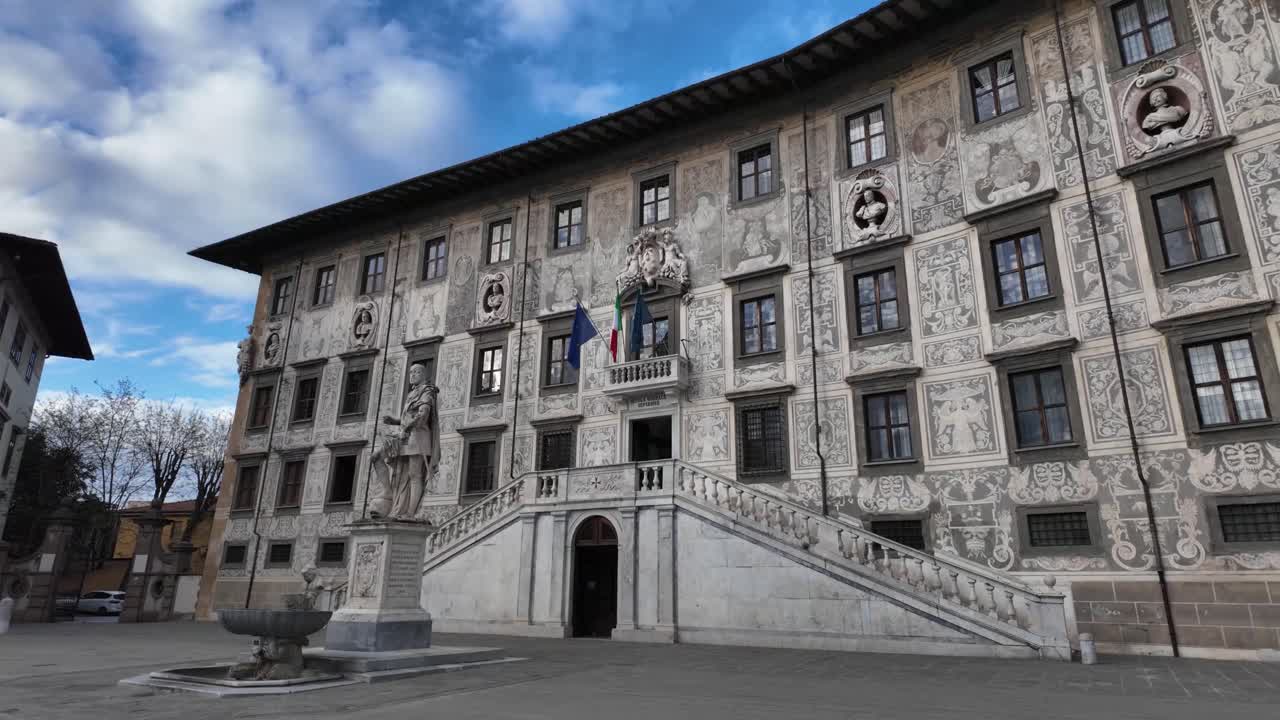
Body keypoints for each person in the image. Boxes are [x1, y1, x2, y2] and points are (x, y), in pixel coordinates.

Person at [368, 363, 440, 520]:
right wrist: (395, 421)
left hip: (418, 437)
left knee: (415, 474)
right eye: (411, 372)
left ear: (424, 375)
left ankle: (410, 513)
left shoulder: (426, 392)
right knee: (376, 456)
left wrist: (407, 426)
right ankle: (387, 491)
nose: (412, 375)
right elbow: (409, 416)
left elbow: (423, 415)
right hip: (405, 436)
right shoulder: (411, 394)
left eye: (416, 372)